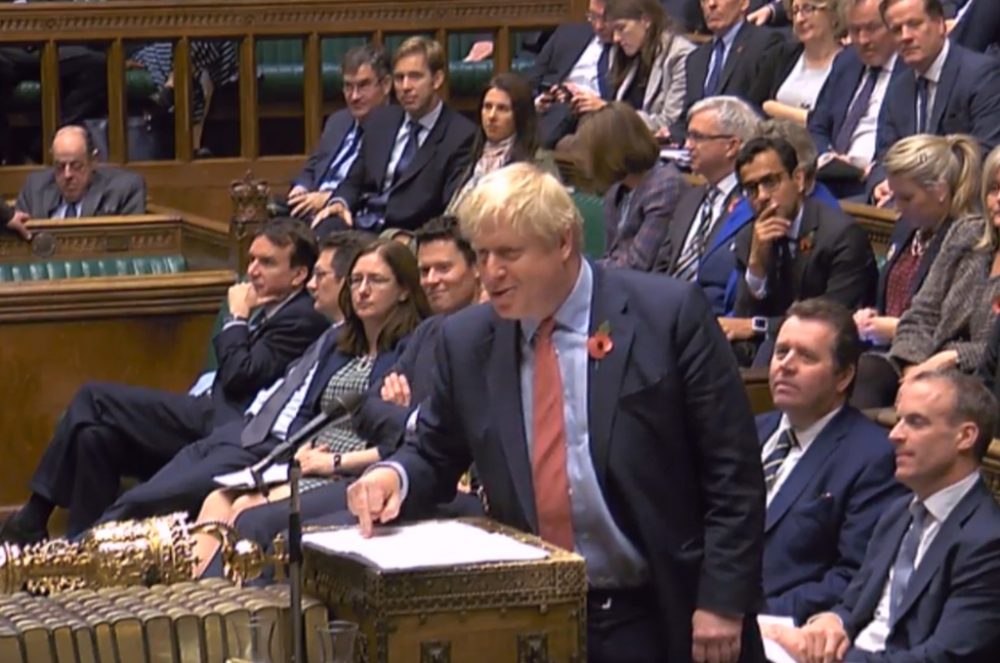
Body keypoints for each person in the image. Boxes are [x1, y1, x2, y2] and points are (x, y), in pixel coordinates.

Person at [346, 163, 768, 663]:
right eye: (482, 255)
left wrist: (722, 601)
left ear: (564, 242)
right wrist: (394, 478)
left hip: (657, 604)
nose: (491, 274)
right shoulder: (467, 340)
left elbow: (732, 471)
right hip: (533, 614)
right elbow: (435, 453)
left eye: (509, 254)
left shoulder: (666, 315)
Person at [0, 220, 330, 544]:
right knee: (94, 437)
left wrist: (237, 319)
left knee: (93, 397)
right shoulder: (274, 304)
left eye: (267, 262)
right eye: (252, 260)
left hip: (226, 426)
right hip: (208, 413)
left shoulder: (301, 316)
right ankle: (82, 552)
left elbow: (239, 377)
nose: (253, 270)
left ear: (299, 274)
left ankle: (33, 516)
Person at [198, 216, 484, 580]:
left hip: (415, 480)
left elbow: (413, 431)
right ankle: (200, 610)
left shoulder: (440, 334)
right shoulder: (428, 332)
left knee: (265, 523)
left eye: (443, 268)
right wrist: (407, 420)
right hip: (392, 468)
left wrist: (405, 421)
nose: (431, 280)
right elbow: (367, 408)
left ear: (476, 269)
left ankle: (220, 621)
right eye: (425, 269)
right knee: (231, 506)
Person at [92, 237, 414, 525]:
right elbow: (308, 409)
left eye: (375, 281)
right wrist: (300, 446)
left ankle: (78, 552)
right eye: (357, 280)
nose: (362, 290)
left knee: (216, 507)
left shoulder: (407, 349)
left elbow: (240, 376)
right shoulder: (340, 341)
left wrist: (326, 459)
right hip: (265, 436)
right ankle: (203, 589)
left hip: (318, 459)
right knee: (100, 435)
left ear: (403, 290)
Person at [775, 370, 1000, 662]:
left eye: (915, 422)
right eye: (898, 420)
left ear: (965, 436)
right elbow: (852, 606)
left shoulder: (988, 542)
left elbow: (944, 657)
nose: (894, 435)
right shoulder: (898, 513)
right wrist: (834, 622)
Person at [757, 298, 904, 624]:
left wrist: (754, 616)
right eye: (781, 352)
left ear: (843, 377)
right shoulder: (749, 431)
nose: (786, 365)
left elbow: (853, 576)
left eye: (806, 356)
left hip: (779, 628)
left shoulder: (873, 458)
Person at [852, 143, 998, 409]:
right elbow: (923, 312)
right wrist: (910, 366)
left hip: (978, 379)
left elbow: (991, 349)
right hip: (924, 361)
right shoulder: (967, 234)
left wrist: (950, 358)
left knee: (939, 401)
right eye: (994, 190)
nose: (999, 199)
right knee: (866, 371)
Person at [724, 136, 877, 358]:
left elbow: (832, 319)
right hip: (768, 349)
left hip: (826, 351)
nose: (763, 196)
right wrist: (756, 266)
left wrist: (758, 326)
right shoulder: (749, 236)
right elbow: (740, 320)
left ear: (798, 179)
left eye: (770, 182)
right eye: (751, 189)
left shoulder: (841, 235)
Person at [313, 37, 476, 235]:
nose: (405, 86)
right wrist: (341, 202)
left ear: (437, 79)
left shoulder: (460, 135)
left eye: (415, 77)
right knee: (318, 231)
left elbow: (449, 210)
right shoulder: (382, 120)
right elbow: (354, 179)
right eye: (399, 78)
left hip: (408, 234)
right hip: (361, 224)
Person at [869, 0, 1000, 207]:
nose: (905, 36)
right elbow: (884, 153)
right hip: (904, 204)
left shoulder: (981, 75)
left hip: (961, 203)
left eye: (914, 24)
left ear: (940, 24)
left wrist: (916, 185)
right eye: (896, 30)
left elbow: (986, 152)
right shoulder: (899, 88)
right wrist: (880, 183)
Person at [655, 96, 762, 313]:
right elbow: (662, 265)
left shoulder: (754, 204)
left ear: (732, 146)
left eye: (697, 137)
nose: (687, 145)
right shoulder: (689, 198)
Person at [575, 102, 686, 271]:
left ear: (609, 153)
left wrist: (582, 271)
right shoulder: (616, 189)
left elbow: (638, 263)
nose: (584, 159)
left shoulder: (665, 186)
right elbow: (612, 253)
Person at [808, 0, 902, 199]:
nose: (863, 39)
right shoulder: (847, 61)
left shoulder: (910, 70)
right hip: (829, 177)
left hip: (874, 183)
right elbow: (817, 125)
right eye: (855, 30)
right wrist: (827, 156)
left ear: (893, 26)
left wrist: (878, 171)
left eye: (872, 28)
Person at [286, 45, 392, 222]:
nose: (354, 97)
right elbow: (312, 167)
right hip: (310, 207)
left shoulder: (397, 130)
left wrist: (329, 197)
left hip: (349, 214)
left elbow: (378, 191)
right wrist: (301, 187)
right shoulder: (338, 121)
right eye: (348, 87)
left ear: (386, 85)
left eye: (363, 86)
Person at [670, 0, 784, 141]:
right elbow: (686, 116)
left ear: (743, 3)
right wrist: (671, 133)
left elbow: (758, 112)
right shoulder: (695, 59)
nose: (711, 4)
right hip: (695, 149)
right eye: (705, 0)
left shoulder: (765, 44)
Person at [447, 73, 554, 213]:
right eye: (487, 106)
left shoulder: (538, 162)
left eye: (502, 109)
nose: (491, 116)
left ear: (520, 115)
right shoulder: (469, 153)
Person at [526, 0, 615, 148]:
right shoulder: (568, 33)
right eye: (593, 16)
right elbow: (532, 80)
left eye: (605, 18)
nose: (598, 26)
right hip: (553, 109)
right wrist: (542, 99)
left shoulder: (628, 46)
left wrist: (601, 105)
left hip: (595, 115)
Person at [15, 125, 146, 219]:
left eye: (76, 166)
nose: (67, 175)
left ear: (93, 161)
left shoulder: (124, 189)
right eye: (60, 166)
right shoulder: (34, 188)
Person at [604, 0, 695, 134]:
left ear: (646, 21)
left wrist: (610, 113)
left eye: (621, 28)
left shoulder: (680, 55)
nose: (616, 38)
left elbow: (671, 122)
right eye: (613, 31)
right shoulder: (624, 55)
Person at [761, 0, 844, 126]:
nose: (799, 19)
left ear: (833, 14)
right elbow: (755, 106)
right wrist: (804, 116)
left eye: (808, 9)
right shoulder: (782, 55)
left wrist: (775, 109)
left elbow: (830, 124)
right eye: (795, 12)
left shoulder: (851, 64)